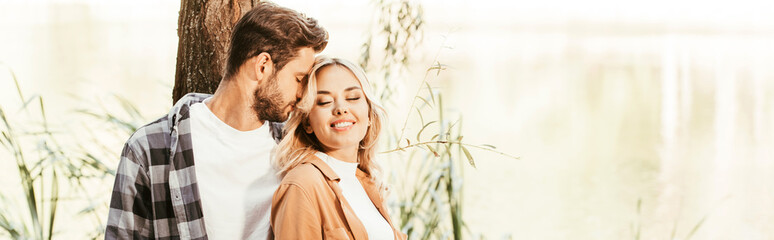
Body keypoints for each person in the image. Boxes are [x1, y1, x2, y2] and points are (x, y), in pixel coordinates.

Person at [105, 2, 328, 239]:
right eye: (299, 78)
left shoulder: (295, 147)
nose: (303, 94)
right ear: (262, 66)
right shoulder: (148, 149)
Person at [271, 56, 406, 240]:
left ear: (368, 115)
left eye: (353, 97)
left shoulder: (367, 183)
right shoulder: (303, 184)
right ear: (307, 122)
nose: (341, 108)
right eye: (324, 102)